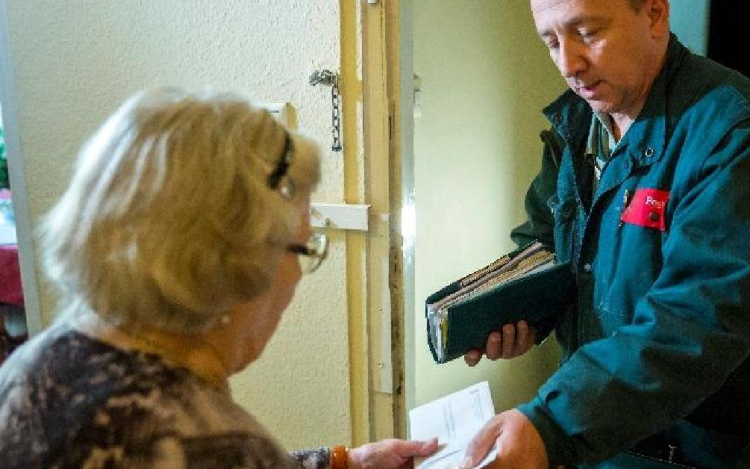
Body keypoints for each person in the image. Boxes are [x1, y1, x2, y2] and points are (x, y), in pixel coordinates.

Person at [0, 87, 437, 468]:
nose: (298, 279)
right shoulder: (217, 443)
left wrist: (345, 462)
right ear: (235, 262)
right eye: (303, 249)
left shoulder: (34, 366)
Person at [460, 0, 750, 468]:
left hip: (690, 452)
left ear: (654, 13)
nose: (567, 65)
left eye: (587, 33)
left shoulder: (731, 131)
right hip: (596, 439)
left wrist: (553, 423)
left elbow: (698, 318)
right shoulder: (578, 124)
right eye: (551, 41)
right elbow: (546, 245)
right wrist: (516, 309)